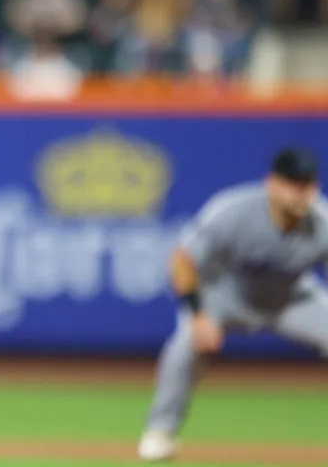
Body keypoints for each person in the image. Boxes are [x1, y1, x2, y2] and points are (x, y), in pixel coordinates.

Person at [138, 148, 328, 462]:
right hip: (224, 296)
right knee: (186, 344)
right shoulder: (234, 211)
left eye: (308, 184)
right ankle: (159, 432)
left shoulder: (322, 223)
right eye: (294, 184)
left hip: (290, 299)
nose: (301, 193)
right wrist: (198, 314)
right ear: (273, 184)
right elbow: (183, 261)